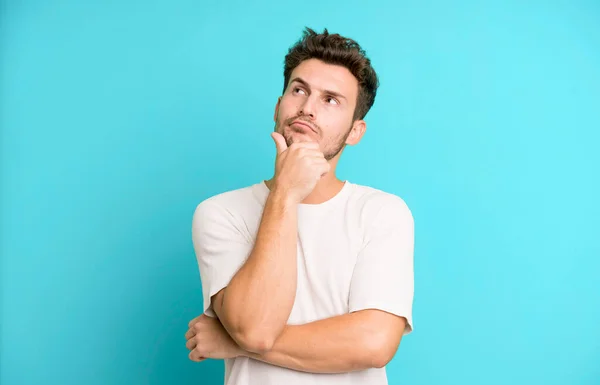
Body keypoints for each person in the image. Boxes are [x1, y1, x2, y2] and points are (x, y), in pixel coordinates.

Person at [185, 27, 415, 385]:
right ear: (278, 107)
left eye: (331, 100)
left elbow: (373, 343)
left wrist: (236, 343)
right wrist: (285, 194)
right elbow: (257, 329)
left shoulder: (382, 213)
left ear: (356, 131)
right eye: (299, 90)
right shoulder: (220, 213)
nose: (307, 108)